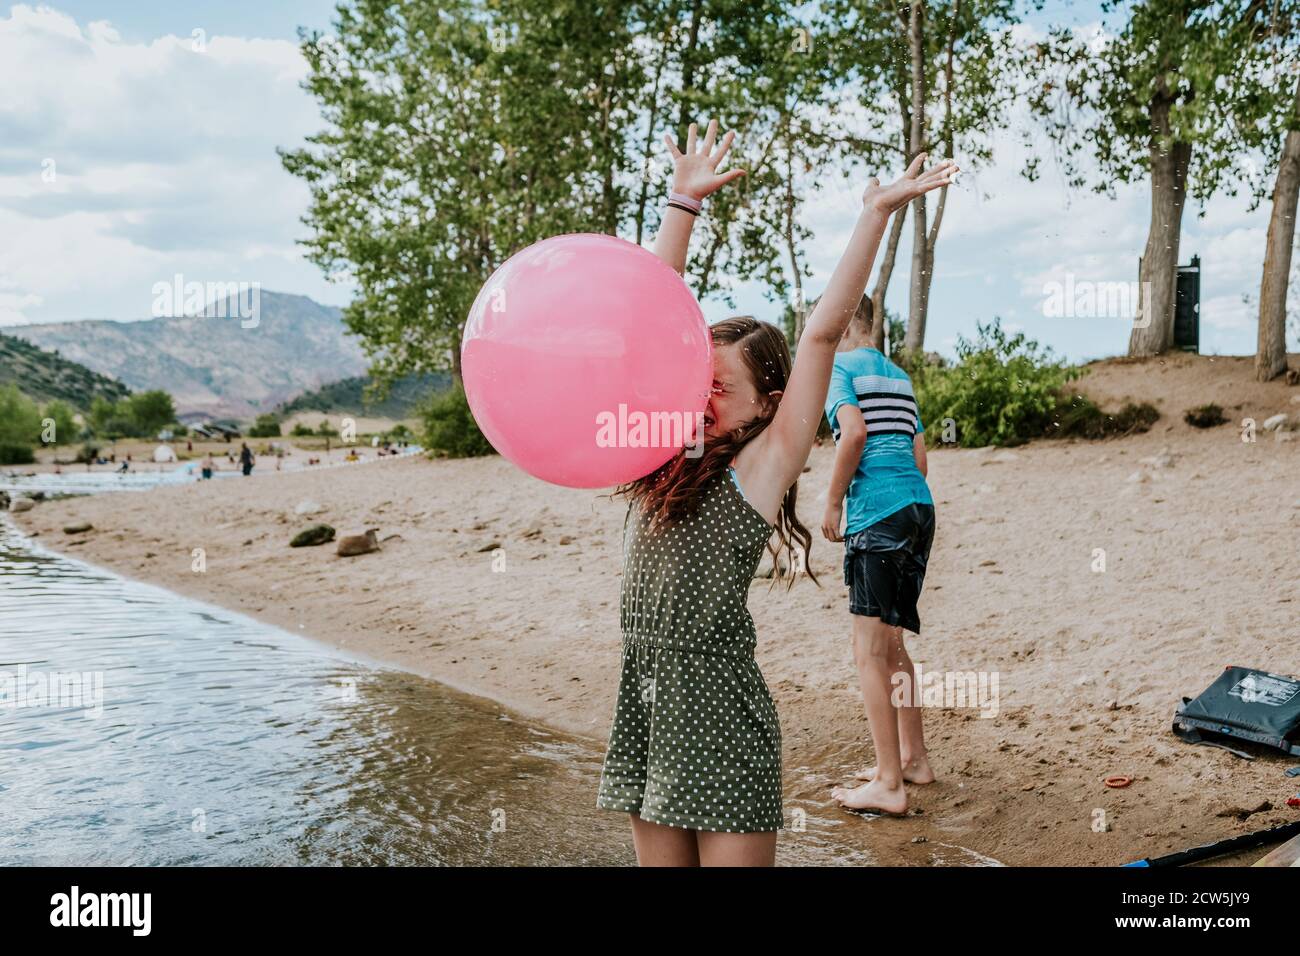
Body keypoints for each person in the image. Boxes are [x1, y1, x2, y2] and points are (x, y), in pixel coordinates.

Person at [594, 118, 956, 867]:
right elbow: (647, 328)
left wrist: (875, 214)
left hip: (720, 714)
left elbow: (822, 334)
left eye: (719, 387)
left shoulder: (760, 466)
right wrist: (680, 205)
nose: (700, 396)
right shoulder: (666, 451)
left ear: (768, 404)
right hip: (646, 700)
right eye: (696, 381)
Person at [820, 297, 937, 817]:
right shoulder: (899, 377)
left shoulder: (839, 369)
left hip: (878, 516)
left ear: (841, 325)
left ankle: (889, 784)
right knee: (891, 643)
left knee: (867, 649)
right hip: (918, 509)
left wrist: (832, 499)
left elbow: (855, 433)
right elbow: (920, 458)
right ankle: (914, 759)